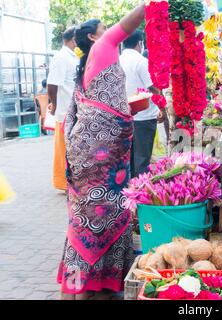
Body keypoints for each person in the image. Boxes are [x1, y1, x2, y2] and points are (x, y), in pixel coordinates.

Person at [58, 5, 145, 300]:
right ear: (95, 37)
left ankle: (93, 285)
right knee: (98, 218)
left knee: (87, 219)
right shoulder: (105, 46)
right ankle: (83, 288)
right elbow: (129, 22)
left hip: (92, 156)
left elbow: (101, 108)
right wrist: (152, 4)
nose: (108, 31)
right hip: (101, 158)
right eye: (103, 28)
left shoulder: (93, 62)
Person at [119, 30, 163, 177]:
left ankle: (129, 192)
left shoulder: (117, 61)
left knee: (127, 159)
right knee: (142, 160)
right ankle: (140, 193)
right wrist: (162, 107)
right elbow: (153, 87)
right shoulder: (141, 62)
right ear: (139, 43)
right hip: (144, 117)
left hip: (123, 117)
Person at [47, 27, 79, 192]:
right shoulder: (61, 57)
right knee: (64, 150)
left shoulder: (73, 56)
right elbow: (52, 84)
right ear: (73, 39)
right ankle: (64, 183)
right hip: (65, 111)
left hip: (74, 110)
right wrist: (54, 105)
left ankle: (71, 181)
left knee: (72, 148)